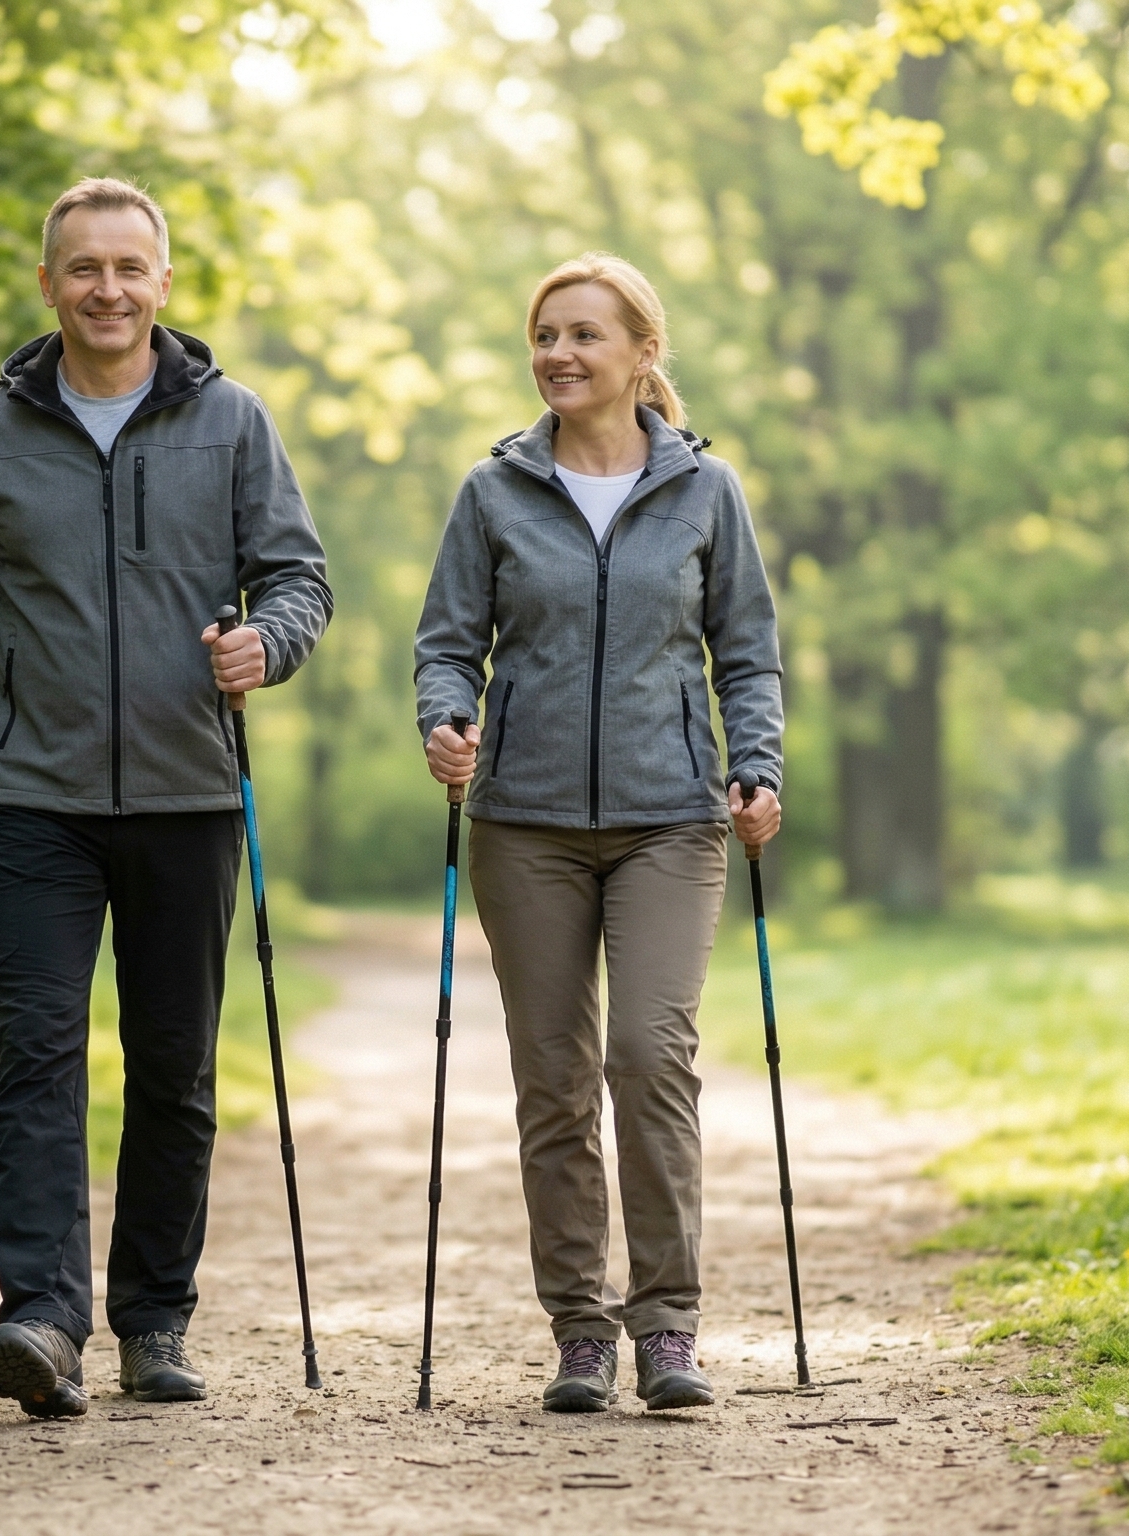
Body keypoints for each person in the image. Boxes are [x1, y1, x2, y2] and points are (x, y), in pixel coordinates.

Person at [0, 178, 334, 1418]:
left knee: (175, 1071)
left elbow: (298, 579)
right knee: (35, 1057)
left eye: (128, 268)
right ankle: (40, 1317)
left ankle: (152, 1321)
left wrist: (270, 643)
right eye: (82, 268)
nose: (106, 289)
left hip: (191, 794)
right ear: (48, 285)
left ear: (163, 283)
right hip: (32, 799)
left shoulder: (233, 422)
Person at [411, 252, 784, 1413]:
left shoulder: (704, 492)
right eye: (545, 336)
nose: (559, 354)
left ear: (641, 353)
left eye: (584, 335)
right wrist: (447, 717)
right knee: (555, 1081)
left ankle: (666, 1326)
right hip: (522, 824)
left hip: (671, 819)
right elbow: (444, 642)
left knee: (649, 1059)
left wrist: (756, 767)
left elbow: (748, 652)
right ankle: (580, 1329)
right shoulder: (494, 490)